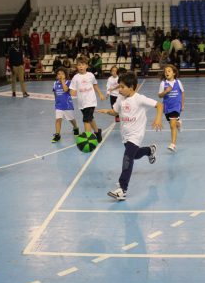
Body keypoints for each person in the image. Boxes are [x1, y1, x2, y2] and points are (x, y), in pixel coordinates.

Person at [97, 72, 163, 201]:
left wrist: (158, 118)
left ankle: (122, 189)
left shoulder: (139, 98)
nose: (119, 89)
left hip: (136, 134)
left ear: (131, 87)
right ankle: (150, 150)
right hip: (125, 134)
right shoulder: (120, 99)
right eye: (119, 87)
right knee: (135, 155)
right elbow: (115, 112)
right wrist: (107, 112)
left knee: (127, 158)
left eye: (122, 87)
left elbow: (159, 105)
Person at [69, 56, 105, 142]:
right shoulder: (75, 77)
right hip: (82, 103)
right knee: (90, 118)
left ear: (86, 66)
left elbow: (95, 84)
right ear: (76, 67)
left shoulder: (90, 75)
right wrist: (72, 92)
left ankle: (88, 139)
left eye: (83, 64)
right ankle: (97, 131)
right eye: (79, 65)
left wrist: (100, 93)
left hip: (91, 101)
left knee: (86, 120)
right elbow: (72, 89)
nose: (81, 66)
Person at [158, 64, 184, 152]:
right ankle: (179, 122)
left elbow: (182, 93)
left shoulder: (178, 82)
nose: (167, 73)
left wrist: (182, 104)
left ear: (174, 73)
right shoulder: (163, 83)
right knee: (173, 124)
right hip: (167, 107)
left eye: (169, 71)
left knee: (172, 126)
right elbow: (159, 95)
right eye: (165, 72)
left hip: (176, 106)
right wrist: (166, 91)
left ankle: (173, 144)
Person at [52, 67, 79, 143]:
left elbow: (65, 90)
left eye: (62, 74)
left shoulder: (68, 82)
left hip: (67, 105)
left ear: (65, 75)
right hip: (59, 106)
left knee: (71, 119)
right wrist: (56, 101)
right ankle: (57, 135)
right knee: (58, 119)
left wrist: (63, 81)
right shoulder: (55, 83)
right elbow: (55, 92)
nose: (60, 75)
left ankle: (75, 127)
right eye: (58, 74)